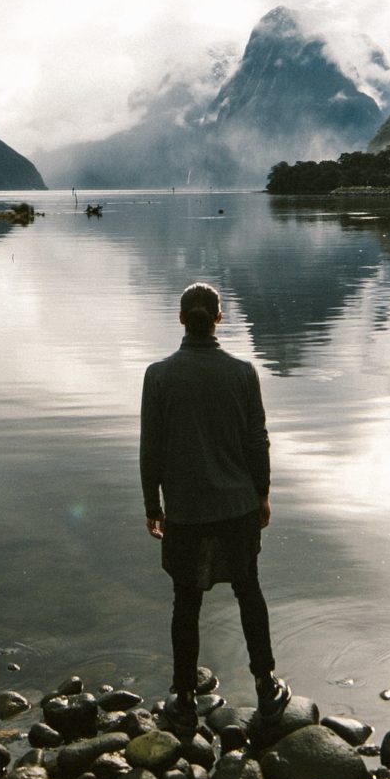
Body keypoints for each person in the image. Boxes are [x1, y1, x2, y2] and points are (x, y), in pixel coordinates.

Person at [140, 280, 290, 727]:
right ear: (219, 318)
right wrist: (262, 493)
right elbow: (257, 441)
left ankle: (184, 699)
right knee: (249, 592)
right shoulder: (243, 373)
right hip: (237, 507)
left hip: (184, 510)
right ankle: (266, 688)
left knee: (186, 603)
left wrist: (153, 506)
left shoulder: (158, 376)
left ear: (181, 318)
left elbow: (152, 450)